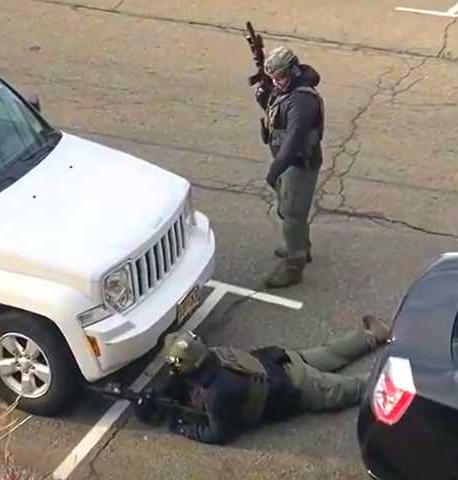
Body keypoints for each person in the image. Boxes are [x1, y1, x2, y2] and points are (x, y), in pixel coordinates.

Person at [135, 315, 390, 445]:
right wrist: (157, 397)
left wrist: (182, 427)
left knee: (356, 389)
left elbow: (218, 433)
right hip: (281, 361)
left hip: (297, 387)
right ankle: (373, 335)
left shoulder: (219, 392)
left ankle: (398, 378)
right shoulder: (211, 356)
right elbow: (178, 378)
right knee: (330, 352)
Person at [255, 46, 325, 289]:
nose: (277, 82)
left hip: (298, 163)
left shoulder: (302, 101)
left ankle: (294, 265)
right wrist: (264, 89)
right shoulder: (284, 90)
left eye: (281, 77)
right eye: (274, 78)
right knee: (287, 209)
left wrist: (275, 169)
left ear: (294, 71)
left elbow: (294, 138)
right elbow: (273, 111)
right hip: (288, 162)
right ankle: (300, 245)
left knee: (293, 214)